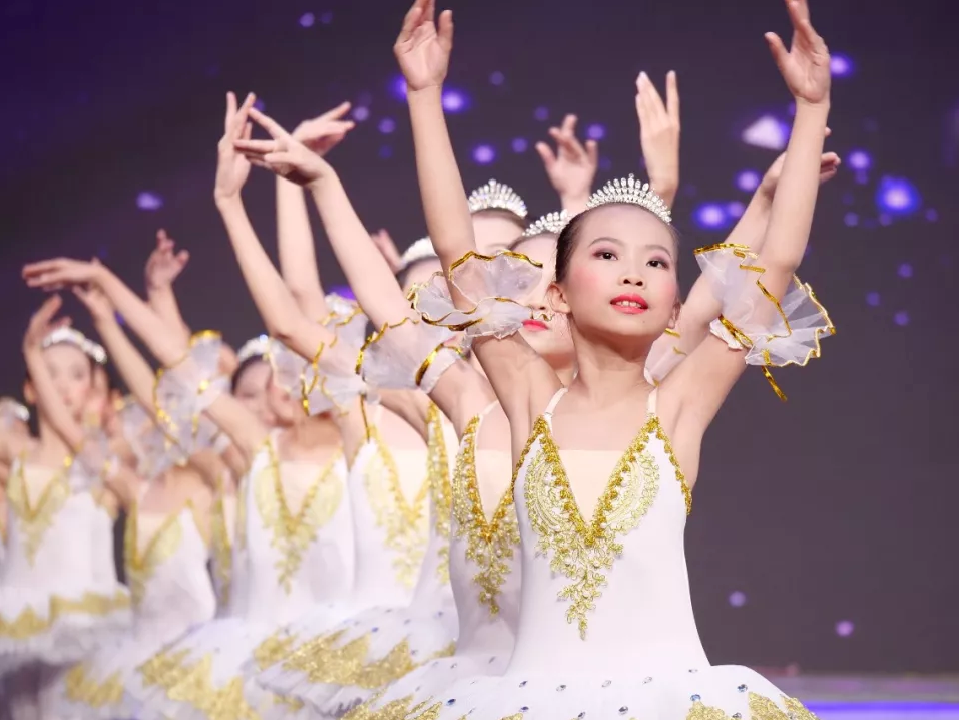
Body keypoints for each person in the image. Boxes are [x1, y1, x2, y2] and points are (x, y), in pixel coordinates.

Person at [385, 0, 836, 717]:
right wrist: (422, 95)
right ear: (556, 294)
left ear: (673, 300)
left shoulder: (679, 405)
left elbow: (776, 262)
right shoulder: (528, 398)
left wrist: (811, 108)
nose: (633, 273)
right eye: (606, 255)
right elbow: (455, 250)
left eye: (655, 262)